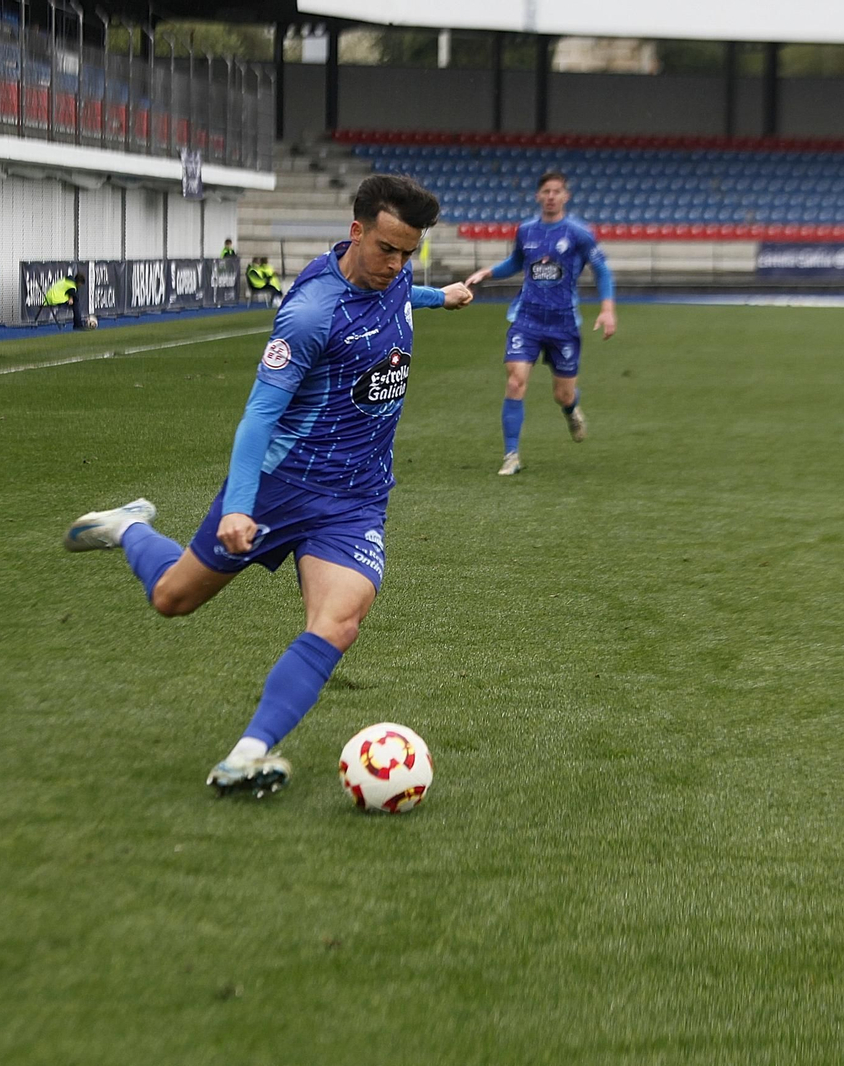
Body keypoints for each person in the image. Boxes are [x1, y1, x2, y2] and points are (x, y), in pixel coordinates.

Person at [62, 174, 473, 798]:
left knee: (338, 623)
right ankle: (130, 527)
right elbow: (258, 414)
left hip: (356, 497)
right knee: (173, 600)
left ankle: (247, 755)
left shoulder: (395, 277)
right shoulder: (310, 313)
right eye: (387, 248)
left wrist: (443, 295)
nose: (397, 263)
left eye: (408, 251)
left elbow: (405, 294)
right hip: (280, 487)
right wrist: (238, 506)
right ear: (355, 231)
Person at [465, 170, 616, 476]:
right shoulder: (526, 230)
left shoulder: (578, 232)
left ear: (565, 196)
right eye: (545, 191)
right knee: (515, 380)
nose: (550, 197)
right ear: (538, 196)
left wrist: (607, 309)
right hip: (527, 318)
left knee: (563, 394)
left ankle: (572, 410)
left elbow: (602, 270)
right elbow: (516, 263)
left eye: (556, 191)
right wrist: (488, 272)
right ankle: (511, 455)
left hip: (563, 323)